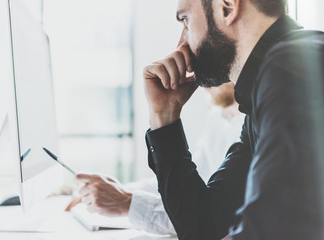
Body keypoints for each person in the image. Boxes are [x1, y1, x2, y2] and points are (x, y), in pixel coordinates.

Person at [143, 0, 324, 239]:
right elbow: (205, 226)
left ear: (226, 7)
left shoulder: (293, 67)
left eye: (185, 20)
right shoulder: (269, 85)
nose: (181, 44)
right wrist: (164, 116)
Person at [66, 82, 244, 236]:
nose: (201, 79)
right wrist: (109, 192)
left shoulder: (258, 128)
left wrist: (127, 202)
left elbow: (208, 218)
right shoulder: (217, 117)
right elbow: (185, 183)